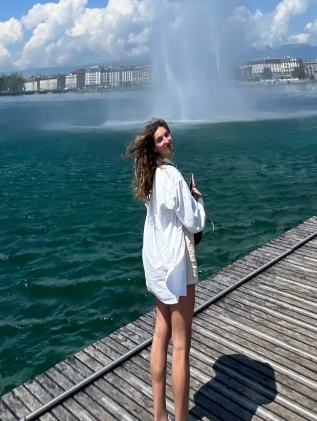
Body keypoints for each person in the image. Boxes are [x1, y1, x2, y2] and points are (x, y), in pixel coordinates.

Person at [125, 118, 205, 421]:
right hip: (176, 268)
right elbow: (194, 222)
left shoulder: (149, 176)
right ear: (153, 146)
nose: (168, 139)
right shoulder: (171, 175)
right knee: (181, 346)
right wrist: (199, 198)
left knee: (160, 335)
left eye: (167, 134)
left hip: (157, 266)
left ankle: (160, 416)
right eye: (161, 138)